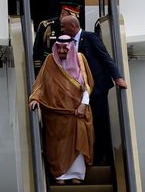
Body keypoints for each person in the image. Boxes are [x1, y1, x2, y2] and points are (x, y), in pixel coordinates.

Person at [61, 14, 128, 165]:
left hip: (97, 89)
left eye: (63, 26)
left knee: (99, 122)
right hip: (79, 91)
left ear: (73, 26)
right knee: (84, 124)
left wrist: (117, 77)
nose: (61, 29)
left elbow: (105, 58)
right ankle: (85, 155)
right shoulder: (67, 43)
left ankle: (101, 156)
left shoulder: (90, 38)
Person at [29, 35, 94, 184]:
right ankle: (60, 175)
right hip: (55, 112)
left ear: (71, 47)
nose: (62, 51)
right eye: (59, 47)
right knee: (57, 143)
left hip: (78, 111)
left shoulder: (80, 59)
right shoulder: (50, 61)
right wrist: (35, 98)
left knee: (79, 139)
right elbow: (41, 84)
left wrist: (83, 105)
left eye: (65, 48)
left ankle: (77, 174)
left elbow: (86, 86)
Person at [33, 2, 81, 72]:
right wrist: (38, 70)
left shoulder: (74, 27)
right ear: (62, 14)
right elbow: (38, 50)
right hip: (50, 68)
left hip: (70, 70)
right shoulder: (47, 26)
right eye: (70, 17)